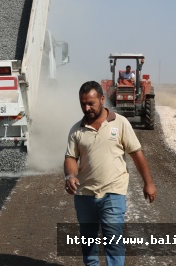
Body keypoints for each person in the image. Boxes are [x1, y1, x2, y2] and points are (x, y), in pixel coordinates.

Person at [64, 81, 157, 266]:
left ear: (102, 99)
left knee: (113, 239)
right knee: (88, 242)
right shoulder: (76, 130)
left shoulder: (120, 123)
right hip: (85, 194)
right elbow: (70, 157)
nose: (87, 108)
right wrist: (70, 176)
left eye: (91, 103)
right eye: (83, 103)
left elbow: (136, 153)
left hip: (113, 192)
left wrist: (148, 182)